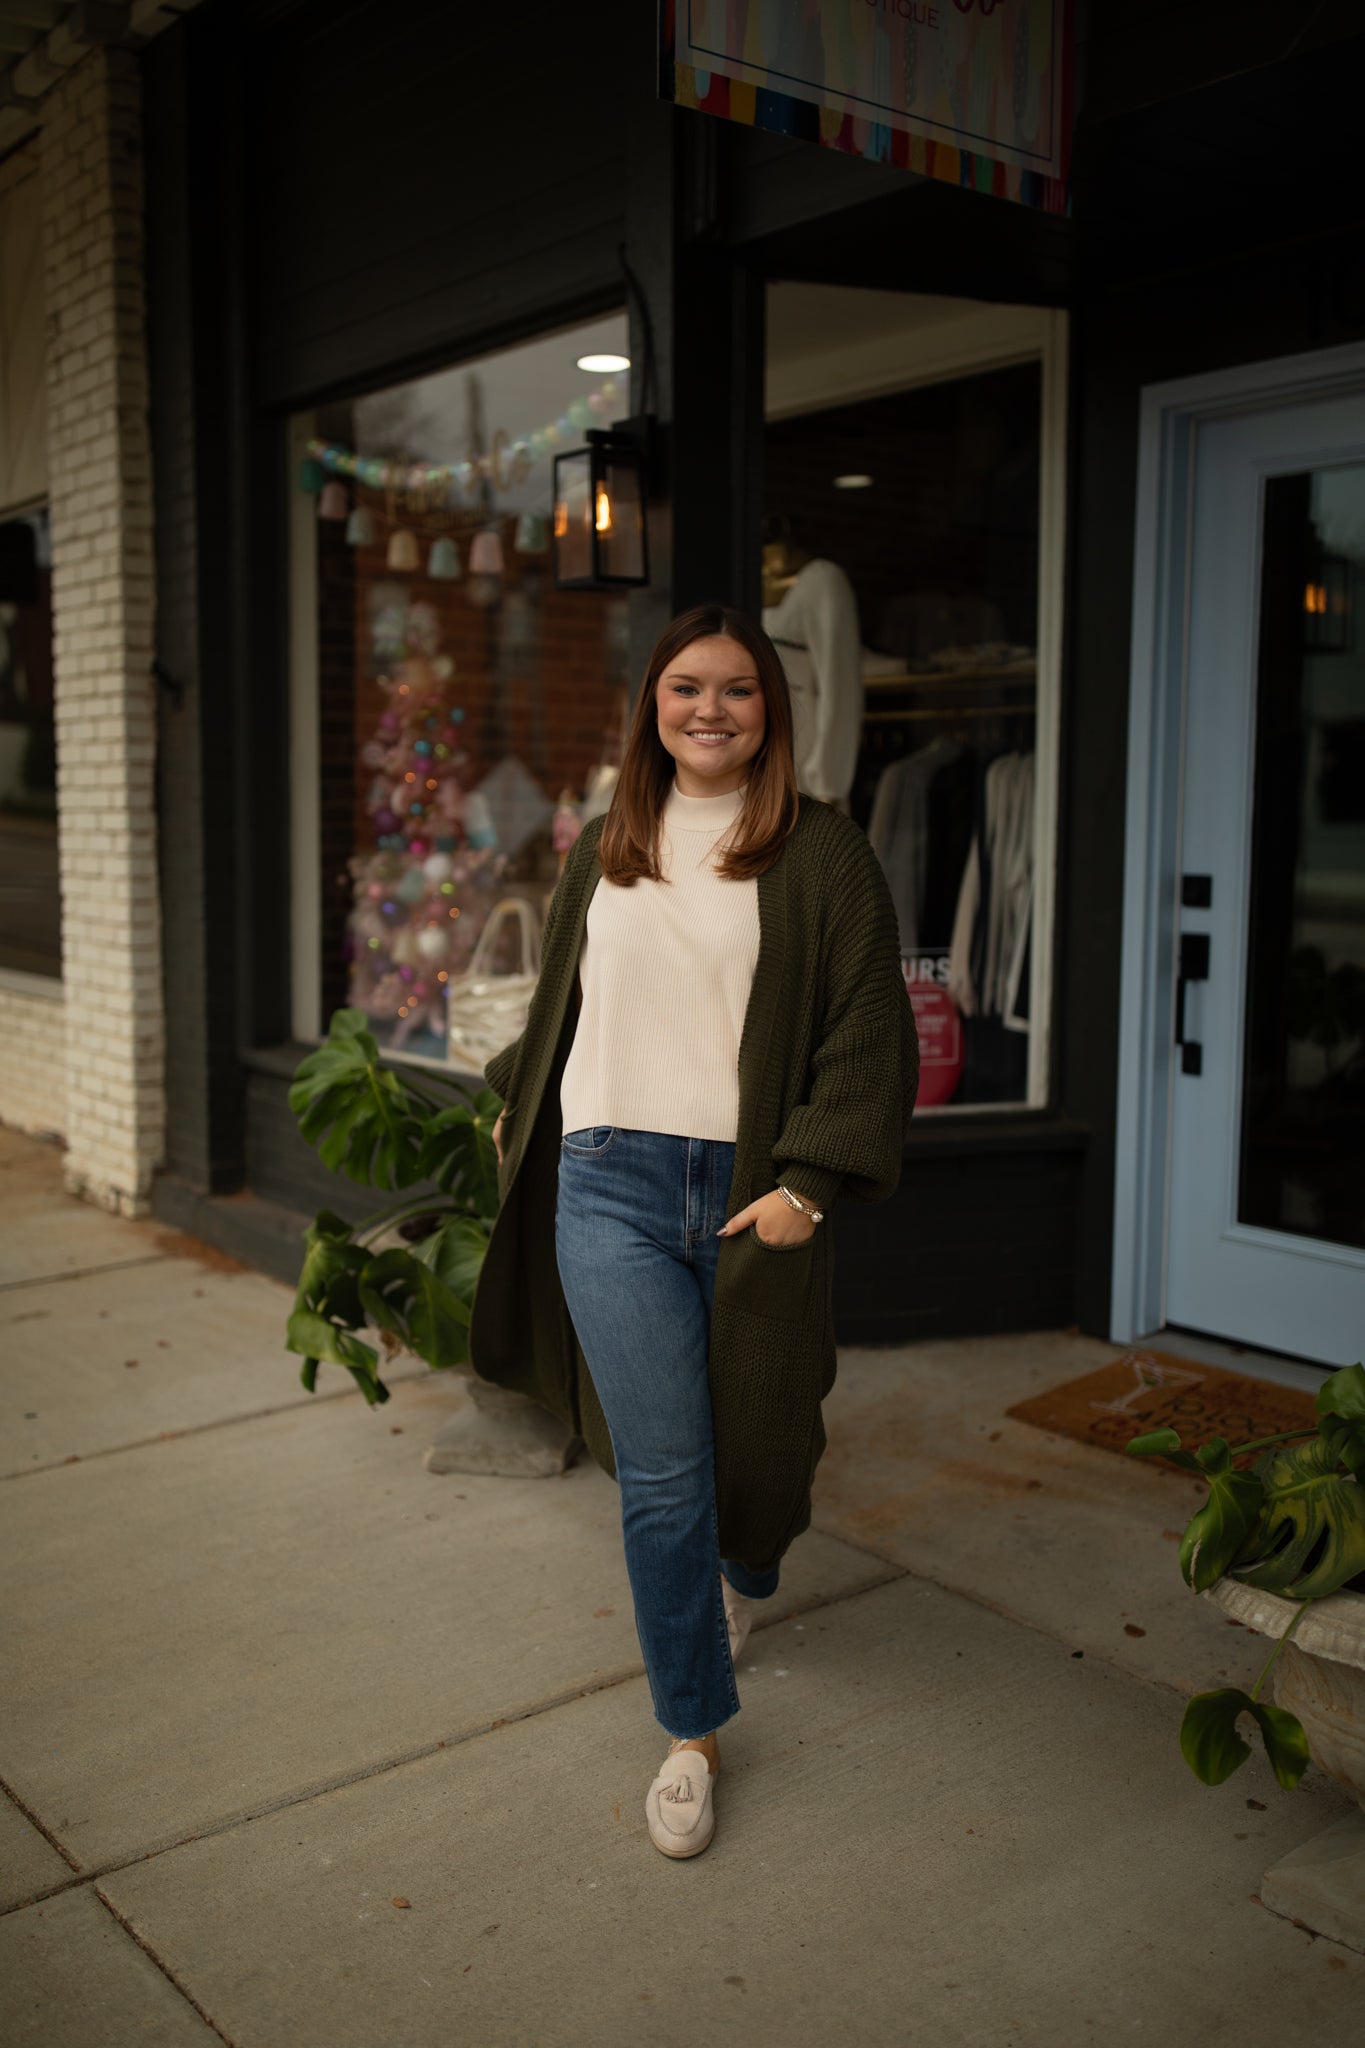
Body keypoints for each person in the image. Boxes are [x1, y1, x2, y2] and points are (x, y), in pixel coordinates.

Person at [469, 602, 918, 1860]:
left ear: (770, 708)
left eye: (735, 689)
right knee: (664, 1470)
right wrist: (521, 1107)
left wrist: (811, 1182)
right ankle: (691, 1729)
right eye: (684, 687)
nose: (708, 709)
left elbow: (868, 1034)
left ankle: (748, 1577)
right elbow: (569, 990)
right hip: (605, 1182)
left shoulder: (821, 853)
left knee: (766, 1444)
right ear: (651, 705)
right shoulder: (608, 842)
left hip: (750, 1191)